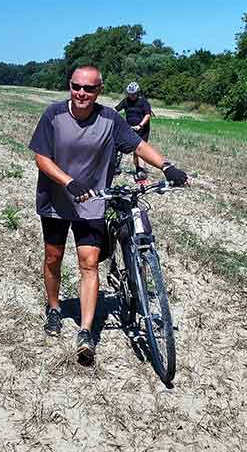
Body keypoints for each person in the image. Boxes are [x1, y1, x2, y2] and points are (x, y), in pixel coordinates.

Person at [28, 65, 188, 362]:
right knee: (53, 257)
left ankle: (86, 332)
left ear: (99, 90)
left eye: (89, 89)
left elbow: (138, 145)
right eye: (77, 87)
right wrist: (69, 182)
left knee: (89, 263)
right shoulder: (54, 115)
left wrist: (167, 166)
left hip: (92, 201)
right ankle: (53, 307)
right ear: (70, 86)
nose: (81, 94)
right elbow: (41, 157)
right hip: (56, 200)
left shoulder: (110, 119)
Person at [114, 82, 153, 181]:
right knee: (119, 146)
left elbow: (148, 115)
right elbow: (116, 110)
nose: (132, 96)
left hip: (142, 129)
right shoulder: (126, 101)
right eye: (130, 94)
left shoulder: (143, 102)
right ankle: (116, 166)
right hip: (129, 128)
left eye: (134, 94)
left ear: (137, 93)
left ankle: (140, 171)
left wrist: (140, 125)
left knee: (139, 150)